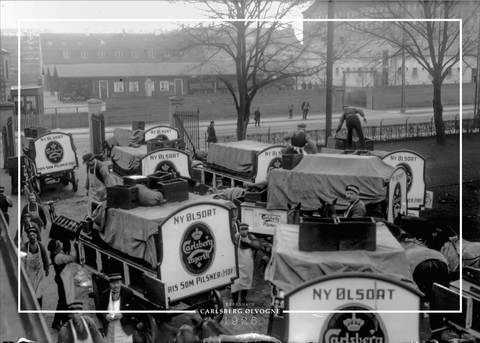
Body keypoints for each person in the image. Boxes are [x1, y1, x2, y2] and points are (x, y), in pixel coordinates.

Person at [98, 273, 144, 343]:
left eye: (117, 283)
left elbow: (134, 309)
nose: (115, 286)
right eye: (113, 283)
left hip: (125, 331)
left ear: (121, 282)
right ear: (109, 283)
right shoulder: (105, 294)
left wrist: (122, 315)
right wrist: (105, 316)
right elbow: (99, 310)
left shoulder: (128, 293)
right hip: (110, 331)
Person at [48, 238, 78, 331]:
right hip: (62, 280)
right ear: (56, 248)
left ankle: (65, 319)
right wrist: (72, 245)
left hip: (62, 278)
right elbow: (73, 258)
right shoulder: (59, 257)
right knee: (62, 302)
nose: (60, 244)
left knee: (65, 301)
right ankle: (56, 323)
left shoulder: (55, 254)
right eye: (58, 244)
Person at [231, 223, 260, 306]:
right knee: (235, 283)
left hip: (247, 265)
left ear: (247, 230)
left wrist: (249, 242)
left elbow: (258, 246)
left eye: (245, 230)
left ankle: (243, 298)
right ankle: (235, 301)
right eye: (242, 230)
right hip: (237, 264)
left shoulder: (251, 237)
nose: (243, 232)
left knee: (246, 282)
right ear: (239, 230)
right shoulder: (237, 237)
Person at [20, 227, 49, 308]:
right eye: (30, 235)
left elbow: (45, 257)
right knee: (30, 290)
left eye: (33, 235)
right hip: (29, 272)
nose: (32, 237)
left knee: (39, 292)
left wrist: (46, 268)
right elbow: (22, 261)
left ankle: (39, 308)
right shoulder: (24, 247)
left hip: (39, 271)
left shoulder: (41, 245)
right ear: (28, 237)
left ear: (36, 235)